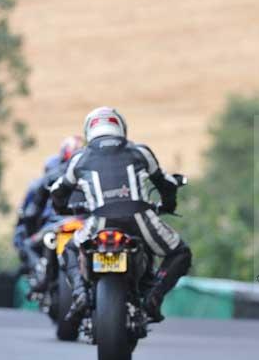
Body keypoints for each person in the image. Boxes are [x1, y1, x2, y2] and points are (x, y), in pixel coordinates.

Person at [51, 107, 192, 322]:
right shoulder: (140, 151)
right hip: (140, 217)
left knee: (69, 250)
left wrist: (62, 208)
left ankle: (79, 294)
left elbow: (58, 190)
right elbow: (165, 183)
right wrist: (168, 205)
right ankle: (154, 296)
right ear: (121, 128)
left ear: (89, 130)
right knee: (180, 252)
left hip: (99, 219)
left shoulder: (79, 158)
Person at [15, 136, 84, 289]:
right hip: (82, 223)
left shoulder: (53, 176)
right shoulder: (91, 172)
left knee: (27, 244)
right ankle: (42, 272)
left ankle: (41, 274)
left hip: (64, 223)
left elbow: (33, 211)